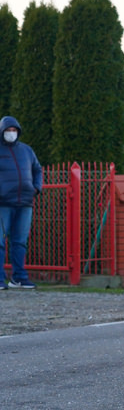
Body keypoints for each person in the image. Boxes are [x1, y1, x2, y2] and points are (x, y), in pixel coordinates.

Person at [0, 116, 42, 290]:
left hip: (25, 202)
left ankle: (19, 278)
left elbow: (37, 169)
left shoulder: (26, 150)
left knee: (20, 242)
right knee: (0, 242)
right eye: (8, 130)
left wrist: (36, 188)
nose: (11, 133)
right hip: (3, 203)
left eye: (14, 130)